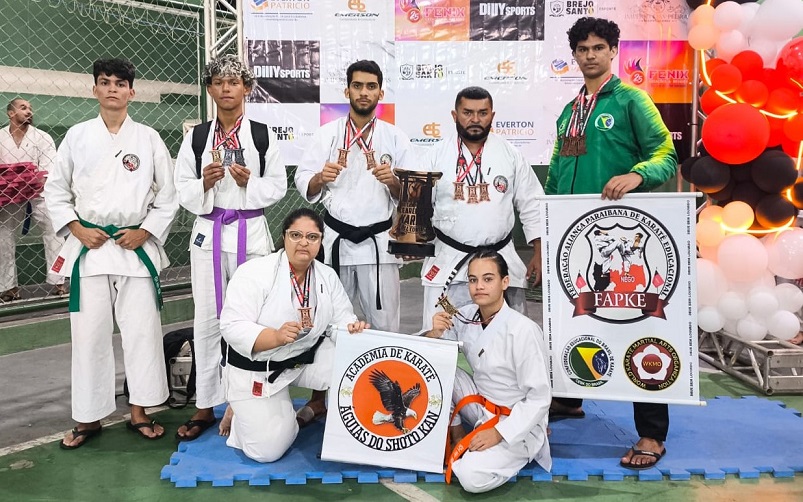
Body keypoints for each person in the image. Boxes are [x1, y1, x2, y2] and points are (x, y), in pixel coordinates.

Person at [545, 17, 678, 470]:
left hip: (624, 239)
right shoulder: (570, 111)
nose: (590, 55)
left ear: (613, 51)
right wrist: (548, 231)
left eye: (598, 47)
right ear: (574, 55)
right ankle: (569, 397)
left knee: (636, 326)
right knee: (571, 319)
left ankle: (652, 433)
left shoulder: (631, 100)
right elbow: (556, 175)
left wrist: (637, 174)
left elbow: (666, 154)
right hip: (574, 238)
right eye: (582, 49)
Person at [44, 58, 178, 448]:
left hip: (134, 247)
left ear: (132, 92)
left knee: (142, 333)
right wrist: (77, 228)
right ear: (95, 90)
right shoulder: (77, 136)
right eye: (105, 82)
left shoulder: (148, 138)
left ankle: (140, 410)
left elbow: (168, 196)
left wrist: (145, 231)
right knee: (88, 336)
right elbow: (56, 190)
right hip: (90, 247)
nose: (112, 89)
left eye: (120, 83)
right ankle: (88, 417)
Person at [174, 55, 287, 441]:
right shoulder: (196, 137)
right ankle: (206, 405)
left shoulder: (262, 135)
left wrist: (247, 183)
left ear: (246, 88)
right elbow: (181, 186)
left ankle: (250, 399)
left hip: (250, 232)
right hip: (209, 232)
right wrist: (204, 184)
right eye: (219, 82)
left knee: (253, 318)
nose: (226, 88)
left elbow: (278, 186)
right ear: (210, 89)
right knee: (207, 319)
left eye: (234, 82)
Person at [218, 208, 369, 462]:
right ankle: (241, 411)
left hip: (302, 358)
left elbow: (340, 321)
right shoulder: (254, 272)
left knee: (356, 363)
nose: (304, 242)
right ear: (284, 237)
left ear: (320, 241)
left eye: (312, 237)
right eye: (296, 235)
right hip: (260, 367)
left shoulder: (326, 276)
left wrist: (352, 329)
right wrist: (275, 336)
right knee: (266, 451)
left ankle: (318, 410)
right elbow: (231, 325)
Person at [296, 60, 416, 333]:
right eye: (357, 85)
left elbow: (411, 194)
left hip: (379, 245)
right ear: (347, 90)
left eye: (371, 86)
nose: (364, 92)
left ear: (380, 93)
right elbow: (303, 179)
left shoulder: (395, 137)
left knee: (386, 327)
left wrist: (394, 182)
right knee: (335, 325)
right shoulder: (327, 134)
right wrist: (320, 178)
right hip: (337, 243)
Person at [424, 249, 551, 493]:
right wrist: (434, 333)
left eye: (488, 279)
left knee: (470, 477)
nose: (479, 286)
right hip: (481, 405)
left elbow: (539, 398)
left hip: (514, 420)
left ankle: (515, 453)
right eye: (473, 280)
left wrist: (499, 433)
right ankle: (457, 432)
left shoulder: (523, 330)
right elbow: (431, 354)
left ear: (505, 282)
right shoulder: (465, 316)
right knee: (438, 368)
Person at [419, 86, 543, 330]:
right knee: (444, 333)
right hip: (450, 260)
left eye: (482, 113)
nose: (475, 119)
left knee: (509, 335)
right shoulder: (434, 156)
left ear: (492, 116)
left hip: (500, 260)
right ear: (455, 115)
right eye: (467, 113)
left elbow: (533, 204)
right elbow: (418, 205)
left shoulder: (510, 154)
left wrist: (539, 253)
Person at [0, 98, 66, 302]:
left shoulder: (43, 137)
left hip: (39, 193)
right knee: (3, 234)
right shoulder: (0, 137)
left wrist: (33, 183)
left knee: (54, 229)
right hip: (8, 195)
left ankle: (59, 281)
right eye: (23, 108)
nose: (29, 111)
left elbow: (49, 168)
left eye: (30, 108)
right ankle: (8, 287)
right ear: (11, 113)